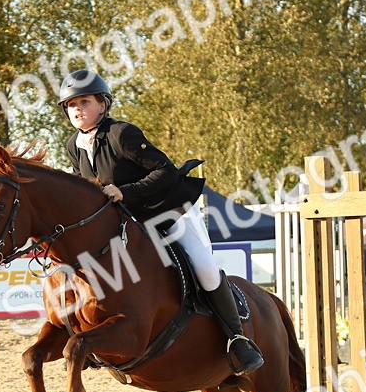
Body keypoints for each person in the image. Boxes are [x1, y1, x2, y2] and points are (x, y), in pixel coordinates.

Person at [57, 69, 263, 375]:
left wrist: (124, 192)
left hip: (168, 209)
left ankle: (237, 338)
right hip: (130, 222)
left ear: (102, 105)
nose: (77, 109)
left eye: (84, 102)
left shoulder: (122, 133)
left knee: (204, 266)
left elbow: (164, 172)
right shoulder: (74, 145)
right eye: (71, 104)